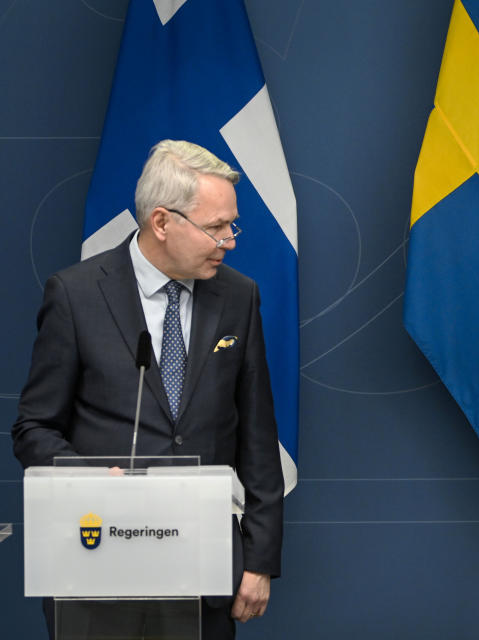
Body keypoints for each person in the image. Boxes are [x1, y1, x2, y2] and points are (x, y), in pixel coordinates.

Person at [12, 140, 284, 639]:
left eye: (231, 224)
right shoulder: (75, 295)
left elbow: (259, 437)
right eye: (217, 227)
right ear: (162, 223)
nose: (230, 240)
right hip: (95, 562)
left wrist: (259, 559)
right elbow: (33, 428)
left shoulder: (239, 297)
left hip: (203, 569)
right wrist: (88, 476)